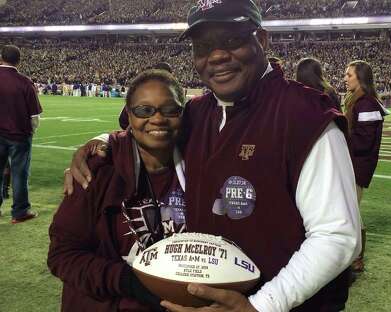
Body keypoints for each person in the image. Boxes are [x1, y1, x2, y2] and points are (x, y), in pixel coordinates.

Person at [65, 1, 361, 311]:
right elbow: (141, 132)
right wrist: (101, 142)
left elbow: (337, 235)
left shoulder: (305, 115)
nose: (217, 55)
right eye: (203, 46)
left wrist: (261, 306)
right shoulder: (196, 112)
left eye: (232, 39)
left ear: (261, 40)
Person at [48, 69, 187, 311]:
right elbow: (63, 255)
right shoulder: (97, 171)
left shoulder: (200, 167)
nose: (157, 119)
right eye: (144, 110)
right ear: (129, 116)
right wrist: (128, 281)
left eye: (170, 109)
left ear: (182, 114)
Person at [344, 60, 389, 273]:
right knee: (350, 210)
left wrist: (340, 139)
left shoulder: (367, 103)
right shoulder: (359, 101)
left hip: (358, 165)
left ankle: (357, 258)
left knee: (351, 212)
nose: (345, 78)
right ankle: (353, 256)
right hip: (353, 164)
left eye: (349, 75)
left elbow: (364, 141)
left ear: (360, 78)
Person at [0, 45, 41, 223]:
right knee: (19, 173)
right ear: (19, 61)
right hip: (19, 136)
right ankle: (19, 212)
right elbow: (34, 116)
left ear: (1, 58)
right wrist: (31, 131)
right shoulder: (25, 82)